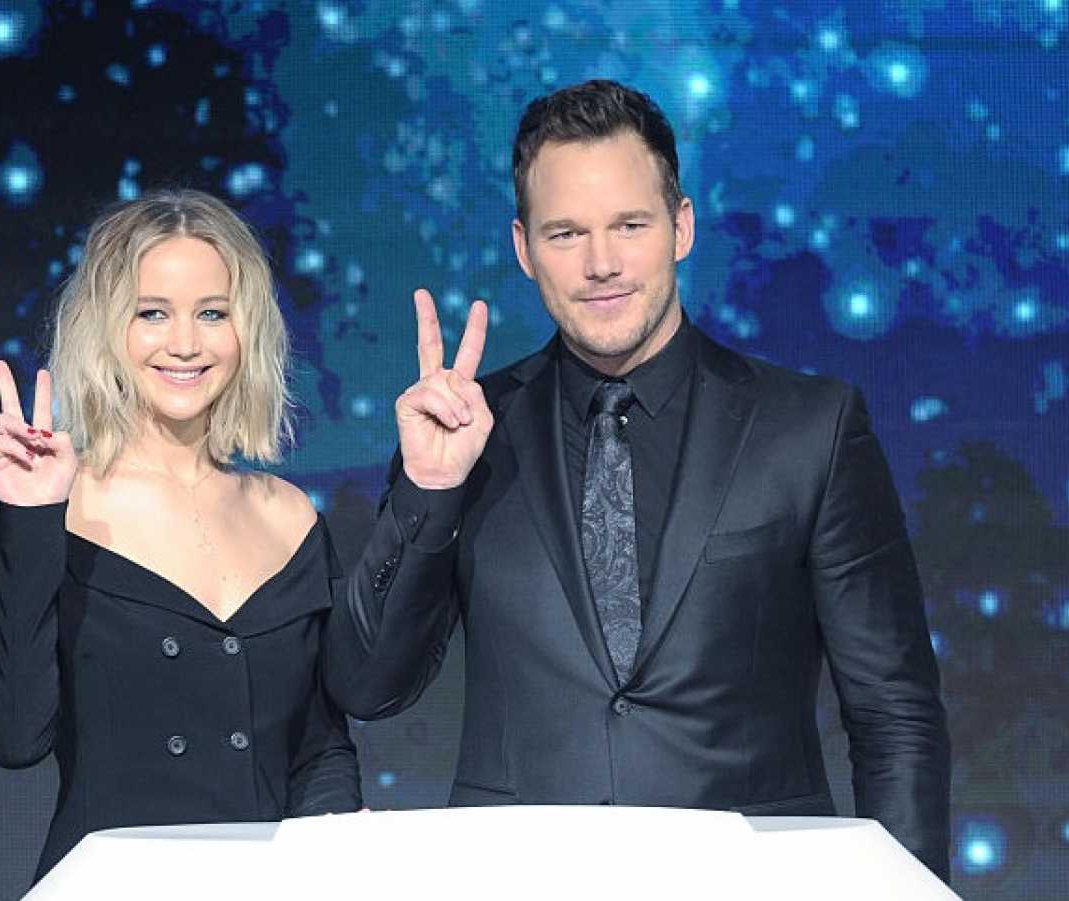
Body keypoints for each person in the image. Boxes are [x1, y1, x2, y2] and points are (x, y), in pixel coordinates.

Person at [323, 80, 952, 879]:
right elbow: (367, 685)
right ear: (523, 248)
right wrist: (428, 491)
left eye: (630, 225)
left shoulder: (809, 428)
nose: (602, 264)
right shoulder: (467, 430)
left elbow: (895, 715)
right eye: (566, 233)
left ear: (681, 226)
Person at [0, 189, 360, 882]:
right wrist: (28, 520)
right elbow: (13, 736)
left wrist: (336, 873)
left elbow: (320, 749)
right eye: (152, 312)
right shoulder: (51, 503)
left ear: (247, 331)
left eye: (212, 313)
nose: (184, 343)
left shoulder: (289, 515)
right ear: (106, 328)